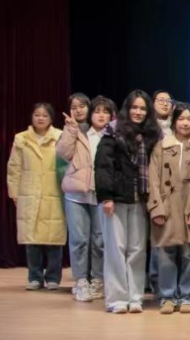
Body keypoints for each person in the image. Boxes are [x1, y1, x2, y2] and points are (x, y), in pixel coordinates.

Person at [94, 90, 161, 313]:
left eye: (142, 108)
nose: (138, 112)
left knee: (137, 250)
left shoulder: (153, 135)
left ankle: (135, 298)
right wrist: (106, 196)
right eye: (134, 107)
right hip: (115, 200)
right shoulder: (112, 132)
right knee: (115, 249)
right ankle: (117, 300)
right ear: (127, 109)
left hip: (140, 200)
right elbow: (103, 166)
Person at [148, 103, 190, 314]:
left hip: (189, 207)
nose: (185, 123)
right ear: (174, 122)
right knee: (166, 253)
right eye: (181, 119)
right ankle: (167, 296)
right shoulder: (161, 147)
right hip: (166, 208)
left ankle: (186, 296)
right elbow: (152, 179)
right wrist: (156, 208)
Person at [58, 96, 114, 302]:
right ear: (91, 114)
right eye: (97, 111)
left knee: (100, 241)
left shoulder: (113, 135)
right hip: (77, 194)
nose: (101, 115)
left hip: (101, 196)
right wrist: (71, 129)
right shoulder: (79, 132)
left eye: (105, 112)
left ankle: (98, 280)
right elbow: (63, 153)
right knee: (79, 240)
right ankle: (81, 281)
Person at [8, 102, 65, 291]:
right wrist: (14, 192)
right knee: (32, 240)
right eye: (37, 115)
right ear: (32, 117)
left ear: (51, 118)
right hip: (30, 192)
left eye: (45, 115)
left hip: (54, 192)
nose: (40, 118)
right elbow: (14, 168)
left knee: (54, 239)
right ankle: (34, 277)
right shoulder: (21, 139)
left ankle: (53, 278)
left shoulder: (60, 137)